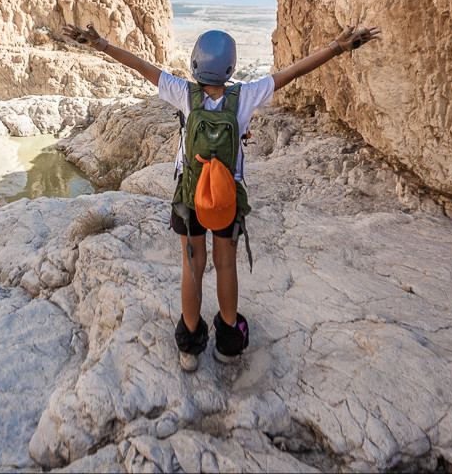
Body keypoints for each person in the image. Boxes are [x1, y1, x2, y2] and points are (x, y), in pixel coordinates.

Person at [61, 20, 381, 371]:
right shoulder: (244, 96)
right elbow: (292, 73)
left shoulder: (183, 92)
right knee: (225, 263)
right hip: (227, 195)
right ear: (230, 67)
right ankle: (228, 344)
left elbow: (141, 65)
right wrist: (337, 47)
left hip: (189, 194)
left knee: (192, 264)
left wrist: (102, 44)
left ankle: (189, 347)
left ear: (195, 63)